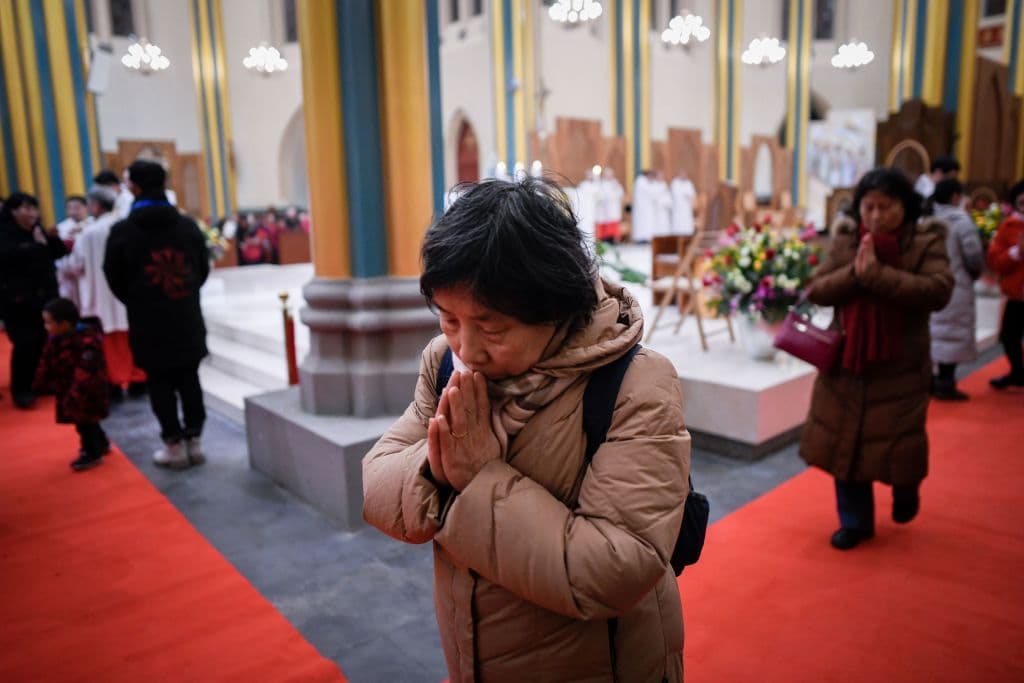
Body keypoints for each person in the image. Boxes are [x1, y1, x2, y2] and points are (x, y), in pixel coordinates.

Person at [362, 177, 691, 681]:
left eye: (492, 328)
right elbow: (377, 484)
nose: (467, 348)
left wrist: (478, 476)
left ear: (556, 308)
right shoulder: (444, 363)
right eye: (448, 319)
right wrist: (439, 467)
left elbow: (614, 569)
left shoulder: (634, 384)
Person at [800, 168, 953, 550]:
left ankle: (906, 489)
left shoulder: (925, 242)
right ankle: (855, 522)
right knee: (847, 445)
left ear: (905, 207)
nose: (875, 215)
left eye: (885, 207)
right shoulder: (848, 240)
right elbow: (817, 289)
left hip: (901, 367)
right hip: (846, 364)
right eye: (868, 206)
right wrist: (856, 274)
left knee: (901, 443)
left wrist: (878, 275)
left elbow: (937, 291)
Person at [103, 160, 210, 470]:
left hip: (148, 320)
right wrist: (183, 293)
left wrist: (139, 300)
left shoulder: (123, 231)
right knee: (189, 378)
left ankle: (173, 445)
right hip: (185, 315)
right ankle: (195, 441)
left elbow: (113, 275)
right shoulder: (187, 226)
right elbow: (202, 268)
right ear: (164, 184)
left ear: (134, 187)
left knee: (159, 382)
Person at [66, 186, 147, 398]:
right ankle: (138, 379)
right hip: (127, 295)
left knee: (109, 341)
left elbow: (75, 265)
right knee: (132, 338)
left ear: (95, 205)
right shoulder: (126, 228)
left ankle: (114, 383)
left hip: (100, 296)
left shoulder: (88, 233)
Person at [0, 192, 67, 408]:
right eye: (26, 208)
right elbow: (10, 257)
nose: (32, 213)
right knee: (25, 343)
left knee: (43, 341)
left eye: (34, 208)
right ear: (13, 211)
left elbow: (58, 253)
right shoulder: (6, 234)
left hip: (45, 295)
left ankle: (41, 382)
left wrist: (53, 239)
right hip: (18, 299)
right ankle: (21, 389)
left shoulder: (38, 231)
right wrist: (38, 247)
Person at [33, 298, 111, 471]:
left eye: (49, 322)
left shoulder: (87, 342)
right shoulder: (55, 339)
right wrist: (40, 381)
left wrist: (74, 395)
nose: (46, 326)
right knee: (88, 422)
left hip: (87, 392)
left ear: (64, 324)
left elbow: (86, 373)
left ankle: (92, 452)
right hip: (67, 389)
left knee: (85, 423)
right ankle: (101, 443)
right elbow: (46, 360)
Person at [927, 179, 985, 400]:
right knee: (952, 333)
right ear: (955, 196)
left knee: (933, 333)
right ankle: (946, 382)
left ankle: (930, 381)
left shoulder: (926, 218)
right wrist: (974, 273)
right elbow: (974, 256)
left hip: (930, 283)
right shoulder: (961, 222)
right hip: (956, 284)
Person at [987, 179, 1024, 389]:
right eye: (1022, 202)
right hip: (1017, 293)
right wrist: (1016, 253)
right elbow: (995, 262)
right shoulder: (1008, 227)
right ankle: (1018, 371)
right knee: (1009, 336)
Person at [54, 195, 92, 308]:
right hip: (68, 278)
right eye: (70, 208)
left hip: (88, 274)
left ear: (86, 207)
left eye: (77, 208)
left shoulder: (93, 224)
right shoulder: (61, 228)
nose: (73, 211)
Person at [594, 167, 624, 243]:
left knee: (613, 225)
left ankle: (613, 240)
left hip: (613, 208)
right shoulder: (601, 183)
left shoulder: (615, 183)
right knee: (603, 225)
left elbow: (620, 193)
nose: (609, 176)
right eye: (607, 174)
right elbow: (598, 194)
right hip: (603, 209)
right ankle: (603, 240)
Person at [630, 169, 655, 243]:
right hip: (641, 208)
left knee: (646, 224)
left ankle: (646, 238)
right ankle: (640, 239)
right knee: (641, 224)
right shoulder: (641, 181)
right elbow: (649, 192)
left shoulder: (645, 182)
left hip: (646, 208)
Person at [670, 169, 697, 236]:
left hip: (686, 207)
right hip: (677, 206)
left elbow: (692, 194)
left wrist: (686, 194)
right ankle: (677, 234)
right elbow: (674, 193)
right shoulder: (675, 182)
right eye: (682, 174)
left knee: (686, 221)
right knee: (678, 221)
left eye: (684, 174)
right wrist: (683, 193)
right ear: (679, 175)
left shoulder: (689, 183)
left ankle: (687, 234)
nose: (683, 176)